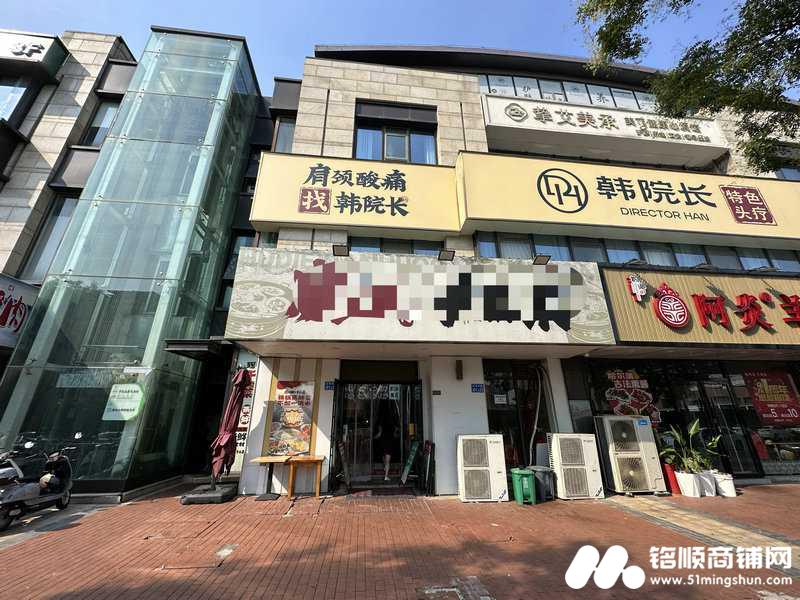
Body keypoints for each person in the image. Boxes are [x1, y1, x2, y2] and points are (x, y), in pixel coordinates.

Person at [374, 405, 398, 481]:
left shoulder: (381, 423)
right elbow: (395, 435)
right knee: (388, 461)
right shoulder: (393, 424)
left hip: (382, 442)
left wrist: (374, 437)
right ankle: (386, 476)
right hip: (389, 443)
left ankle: (385, 467)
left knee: (384, 457)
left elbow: (379, 434)